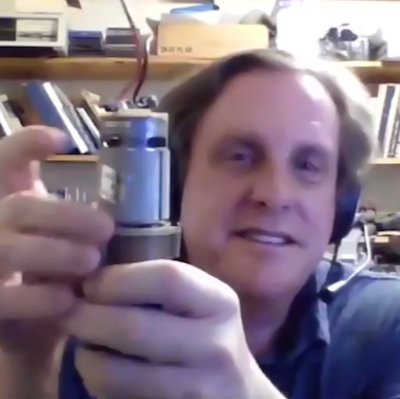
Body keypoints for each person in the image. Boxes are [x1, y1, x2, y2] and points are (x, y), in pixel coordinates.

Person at [0, 48, 397, 399]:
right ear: (176, 182)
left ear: (340, 205)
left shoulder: (387, 325)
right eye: (240, 156)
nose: (274, 194)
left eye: (308, 165)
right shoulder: (87, 310)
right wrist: (27, 364)